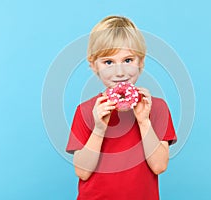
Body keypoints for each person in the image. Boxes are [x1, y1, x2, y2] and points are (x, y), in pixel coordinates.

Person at [66, 15, 177, 200]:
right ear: (94, 66)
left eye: (128, 60)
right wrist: (99, 129)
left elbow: (159, 166)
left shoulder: (157, 108)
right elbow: (82, 172)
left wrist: (143, 121)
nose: (120, 72)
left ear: (140, 62)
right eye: (108, 62)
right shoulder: (86, 111)